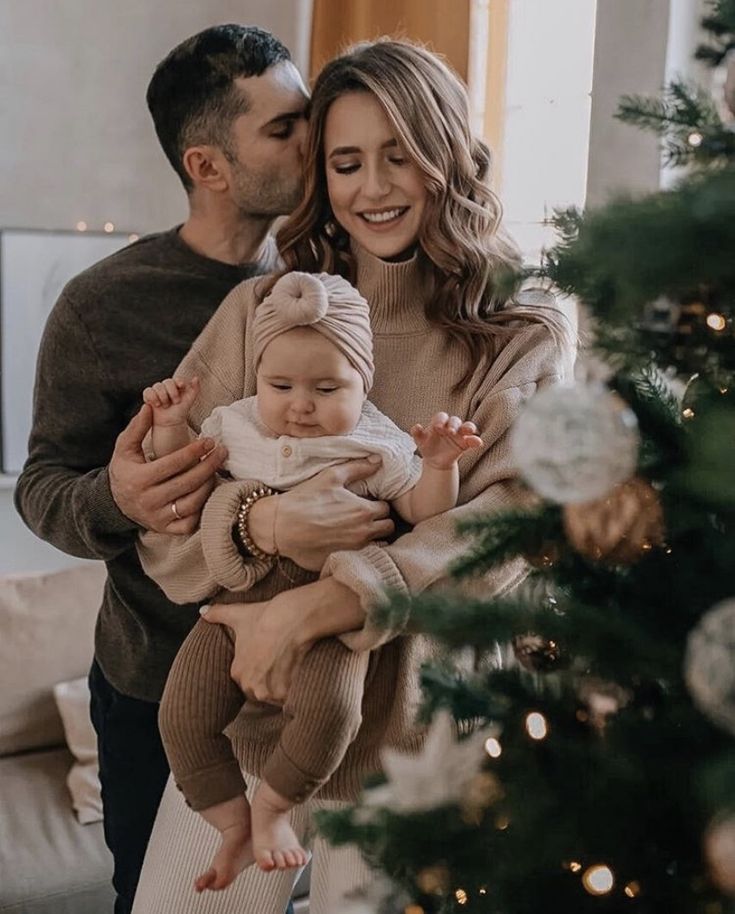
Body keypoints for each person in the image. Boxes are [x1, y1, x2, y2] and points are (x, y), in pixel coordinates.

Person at [131, 38, 575, 914]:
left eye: (399, 153)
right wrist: (256, 523)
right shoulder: (265, 310)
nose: (373, 187)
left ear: (448, 153)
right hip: (255, 704)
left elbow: (510, 525)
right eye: (346, 162)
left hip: (421, 733)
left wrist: (338, 594)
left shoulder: (524, 327)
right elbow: (166, 525)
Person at [12, 24, 326, 914]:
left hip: (309, 682)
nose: (312, 142)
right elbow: (43, 488)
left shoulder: (330, 282)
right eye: (283, 128)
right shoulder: (101, 305)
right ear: (208, 164)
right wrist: (112, 496)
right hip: (156, 695)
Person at [141, 269, 483, 889]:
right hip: (238, 602)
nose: (300, 404)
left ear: (364, 385)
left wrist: (438, 465)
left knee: (332, 711)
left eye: (327, 387)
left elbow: (426, 516)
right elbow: (182, 479)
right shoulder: (236, 423)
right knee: (182, 712)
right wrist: (171, 422)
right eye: (281, 385)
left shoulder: (375, 442)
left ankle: (273, 807)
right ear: (257, 379)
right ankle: (230, 822)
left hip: (337, 612)